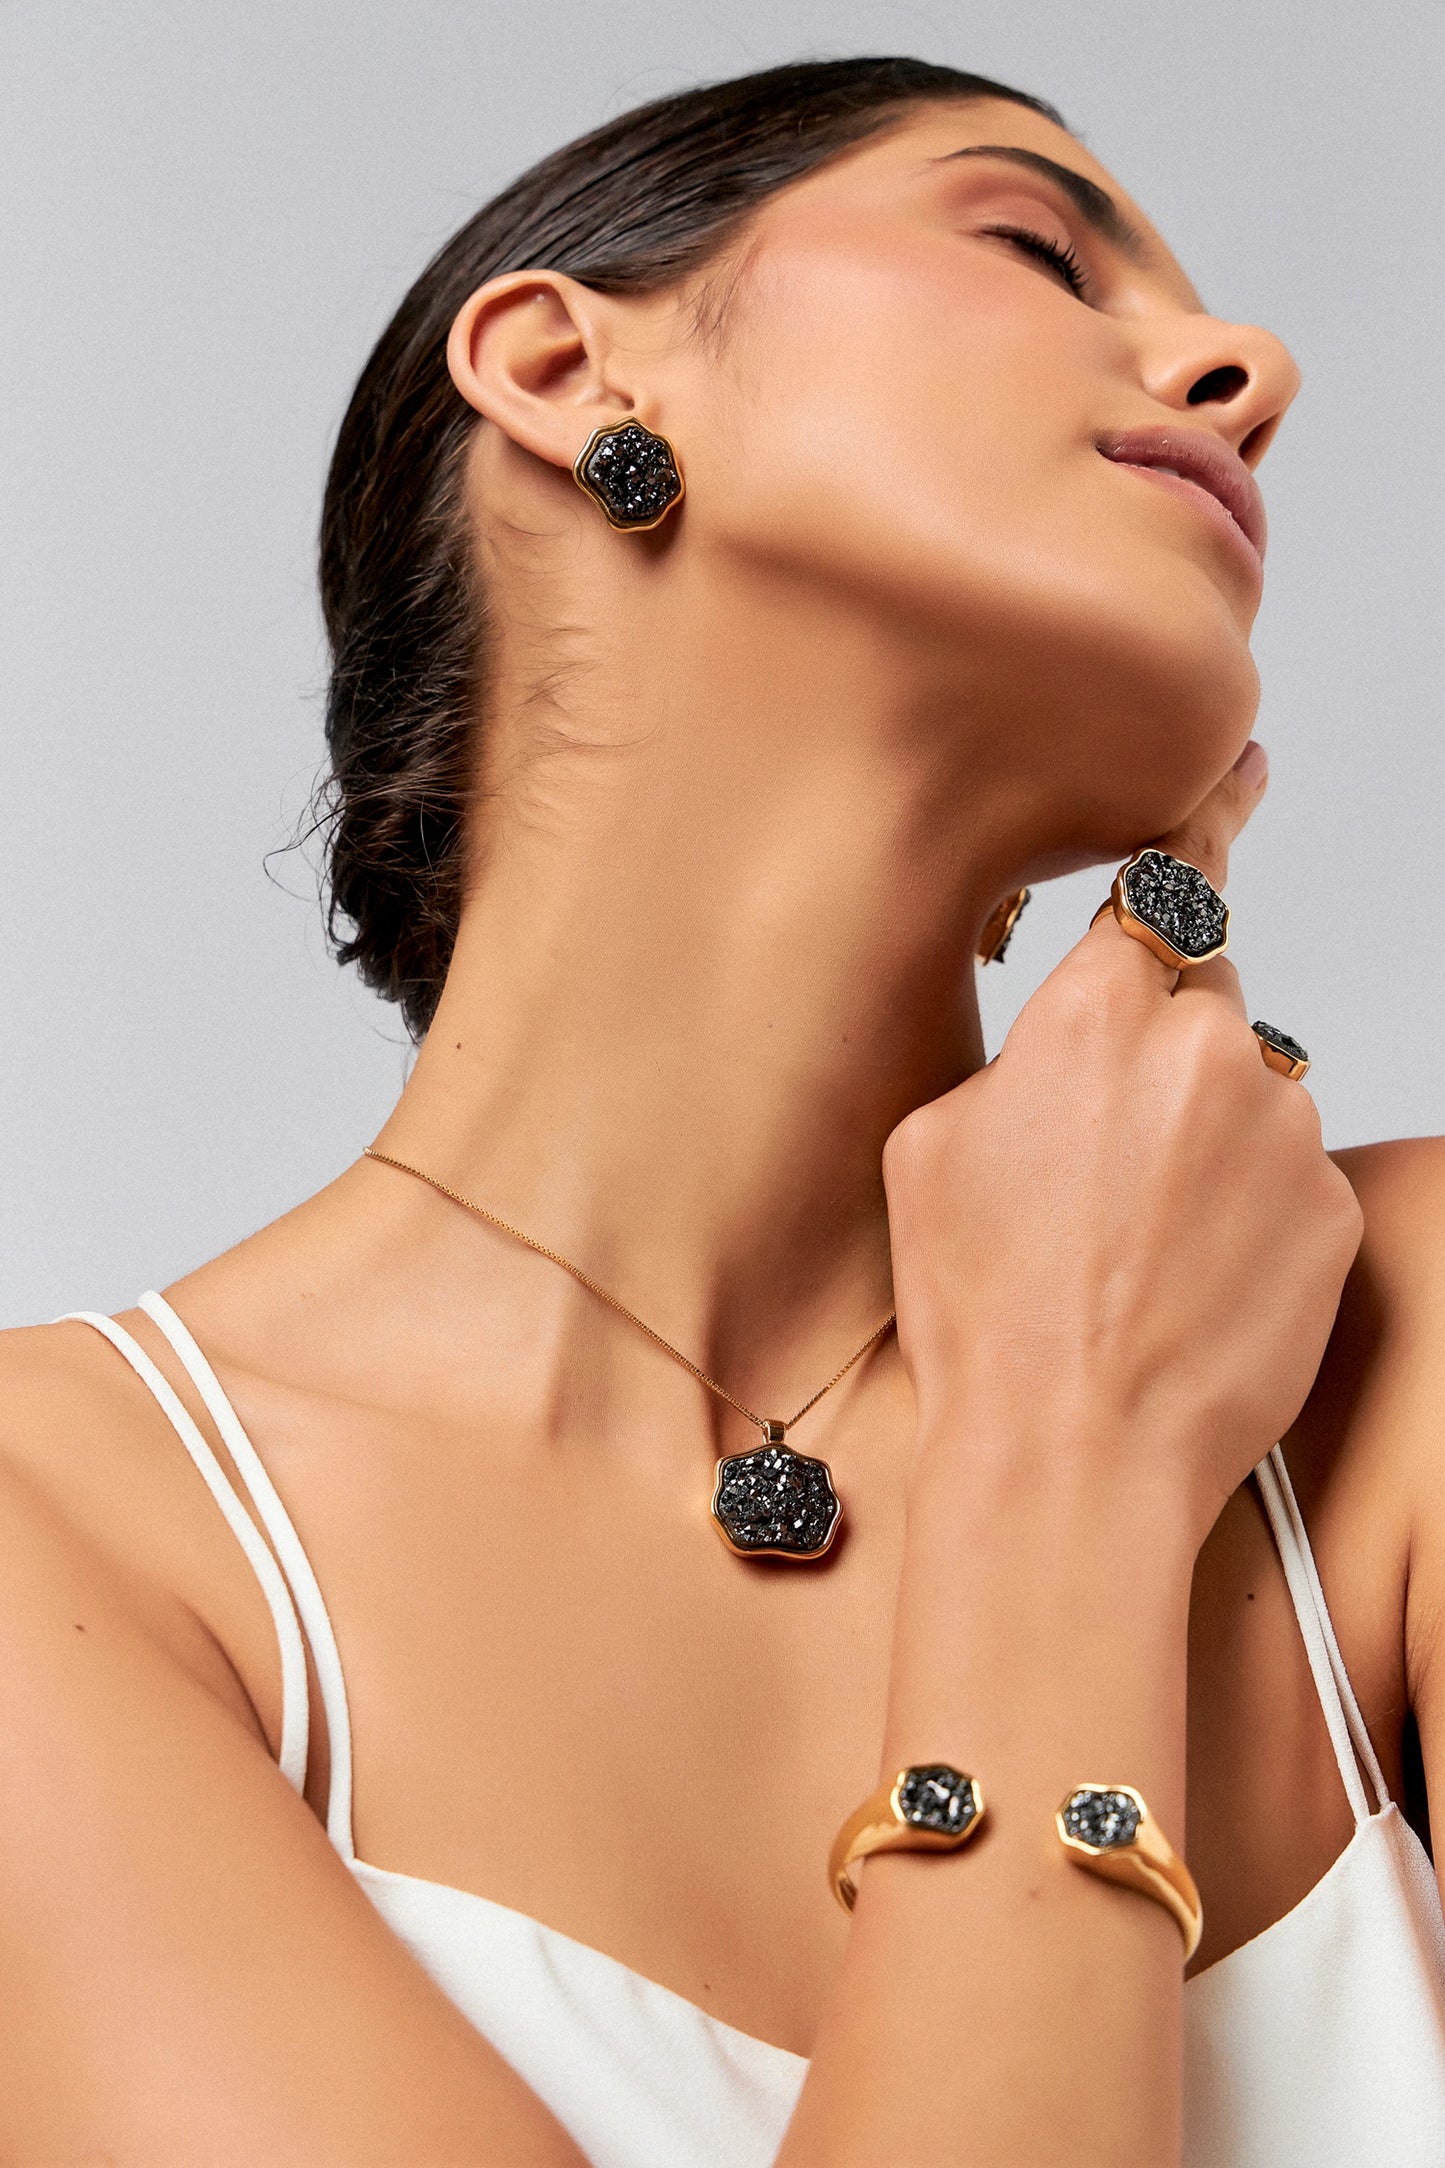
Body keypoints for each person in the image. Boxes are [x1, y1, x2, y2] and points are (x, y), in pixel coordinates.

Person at [2, 52, 1442, 2167]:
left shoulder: (1397, 1351)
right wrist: (1066, 1461)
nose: (1253, 370)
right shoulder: (61, 1537)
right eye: (1039, 248)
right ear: (565, 367)